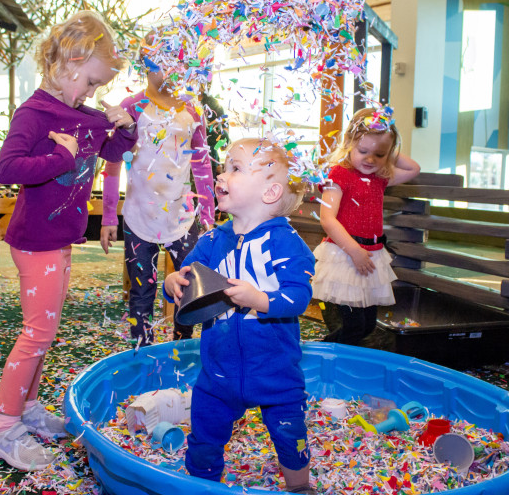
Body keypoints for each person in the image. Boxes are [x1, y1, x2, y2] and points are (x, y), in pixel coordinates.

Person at [0, 11, 137, 472]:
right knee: (36, 334)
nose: (92, 93)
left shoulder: (83, 114)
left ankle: (25, 409)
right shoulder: (36, 112)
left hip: (61, 239)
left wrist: (124, 127)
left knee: (43, 333)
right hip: (35, 241)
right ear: (69, 61)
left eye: (98, 86)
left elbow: (110, 151)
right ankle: (1, 427)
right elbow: (8, 169)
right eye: (89, 81)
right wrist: (59, 155)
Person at [164, 138, 316, 494]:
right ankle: (203, 484)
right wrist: (174, 280)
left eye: (234, 168)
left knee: (290, 434)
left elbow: (299, 297)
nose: (221, 174)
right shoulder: (214, 238)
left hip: (275, 370)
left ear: (270, 191)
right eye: (224, 166)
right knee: (204, 432)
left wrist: (259, 299)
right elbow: (188, 275)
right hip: (219, 370)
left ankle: (299, 486)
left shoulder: (287, 242)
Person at [100, 51, 215, 347]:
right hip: (140, 216)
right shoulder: (132, 106)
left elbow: (202, 164)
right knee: (141, 291)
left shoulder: (193, 110)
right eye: (162, 65)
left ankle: (182, 347)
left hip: (181, 216)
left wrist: (208, 216)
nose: (171, 71)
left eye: (178, 63)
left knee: (188, 287)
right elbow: (113, 164)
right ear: (146, 67)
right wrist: (110, 216)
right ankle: (143, 353)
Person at [312, 107, 421, 346]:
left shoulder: (380, 177)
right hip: (346, 254)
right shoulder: (339, 174)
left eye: (379, 154)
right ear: (350, 143)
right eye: (363, 151)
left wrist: (386, 147)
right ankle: (326, 351)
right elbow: (328, 219)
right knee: (353, 325)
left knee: (367, 325)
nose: (370, 159)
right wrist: (353, 251)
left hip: (371, 255)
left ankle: (327, 346)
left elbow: (414, 169)